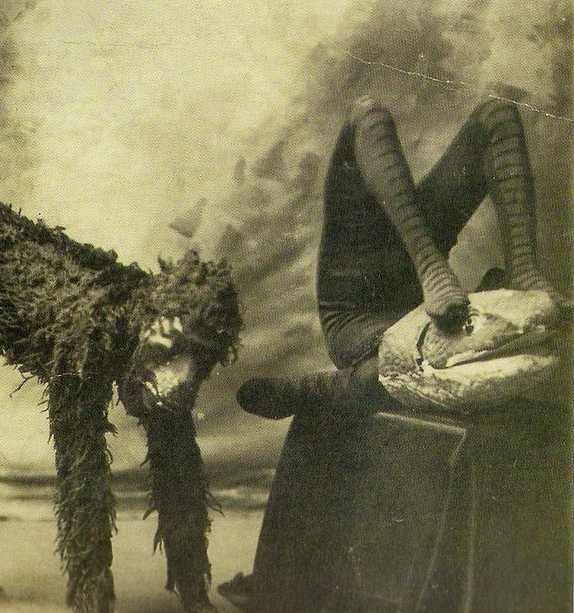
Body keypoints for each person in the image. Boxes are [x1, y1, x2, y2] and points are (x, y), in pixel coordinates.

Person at [238, 97, 567, 420]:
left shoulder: (412, 213)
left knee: (498, 114)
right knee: (367, 114)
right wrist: (431, 267)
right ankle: (317, 390)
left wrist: (520, 277)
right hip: (360, 321)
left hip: (427, 301)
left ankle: (523, 272)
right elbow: (364, 122)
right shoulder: (355, 217)